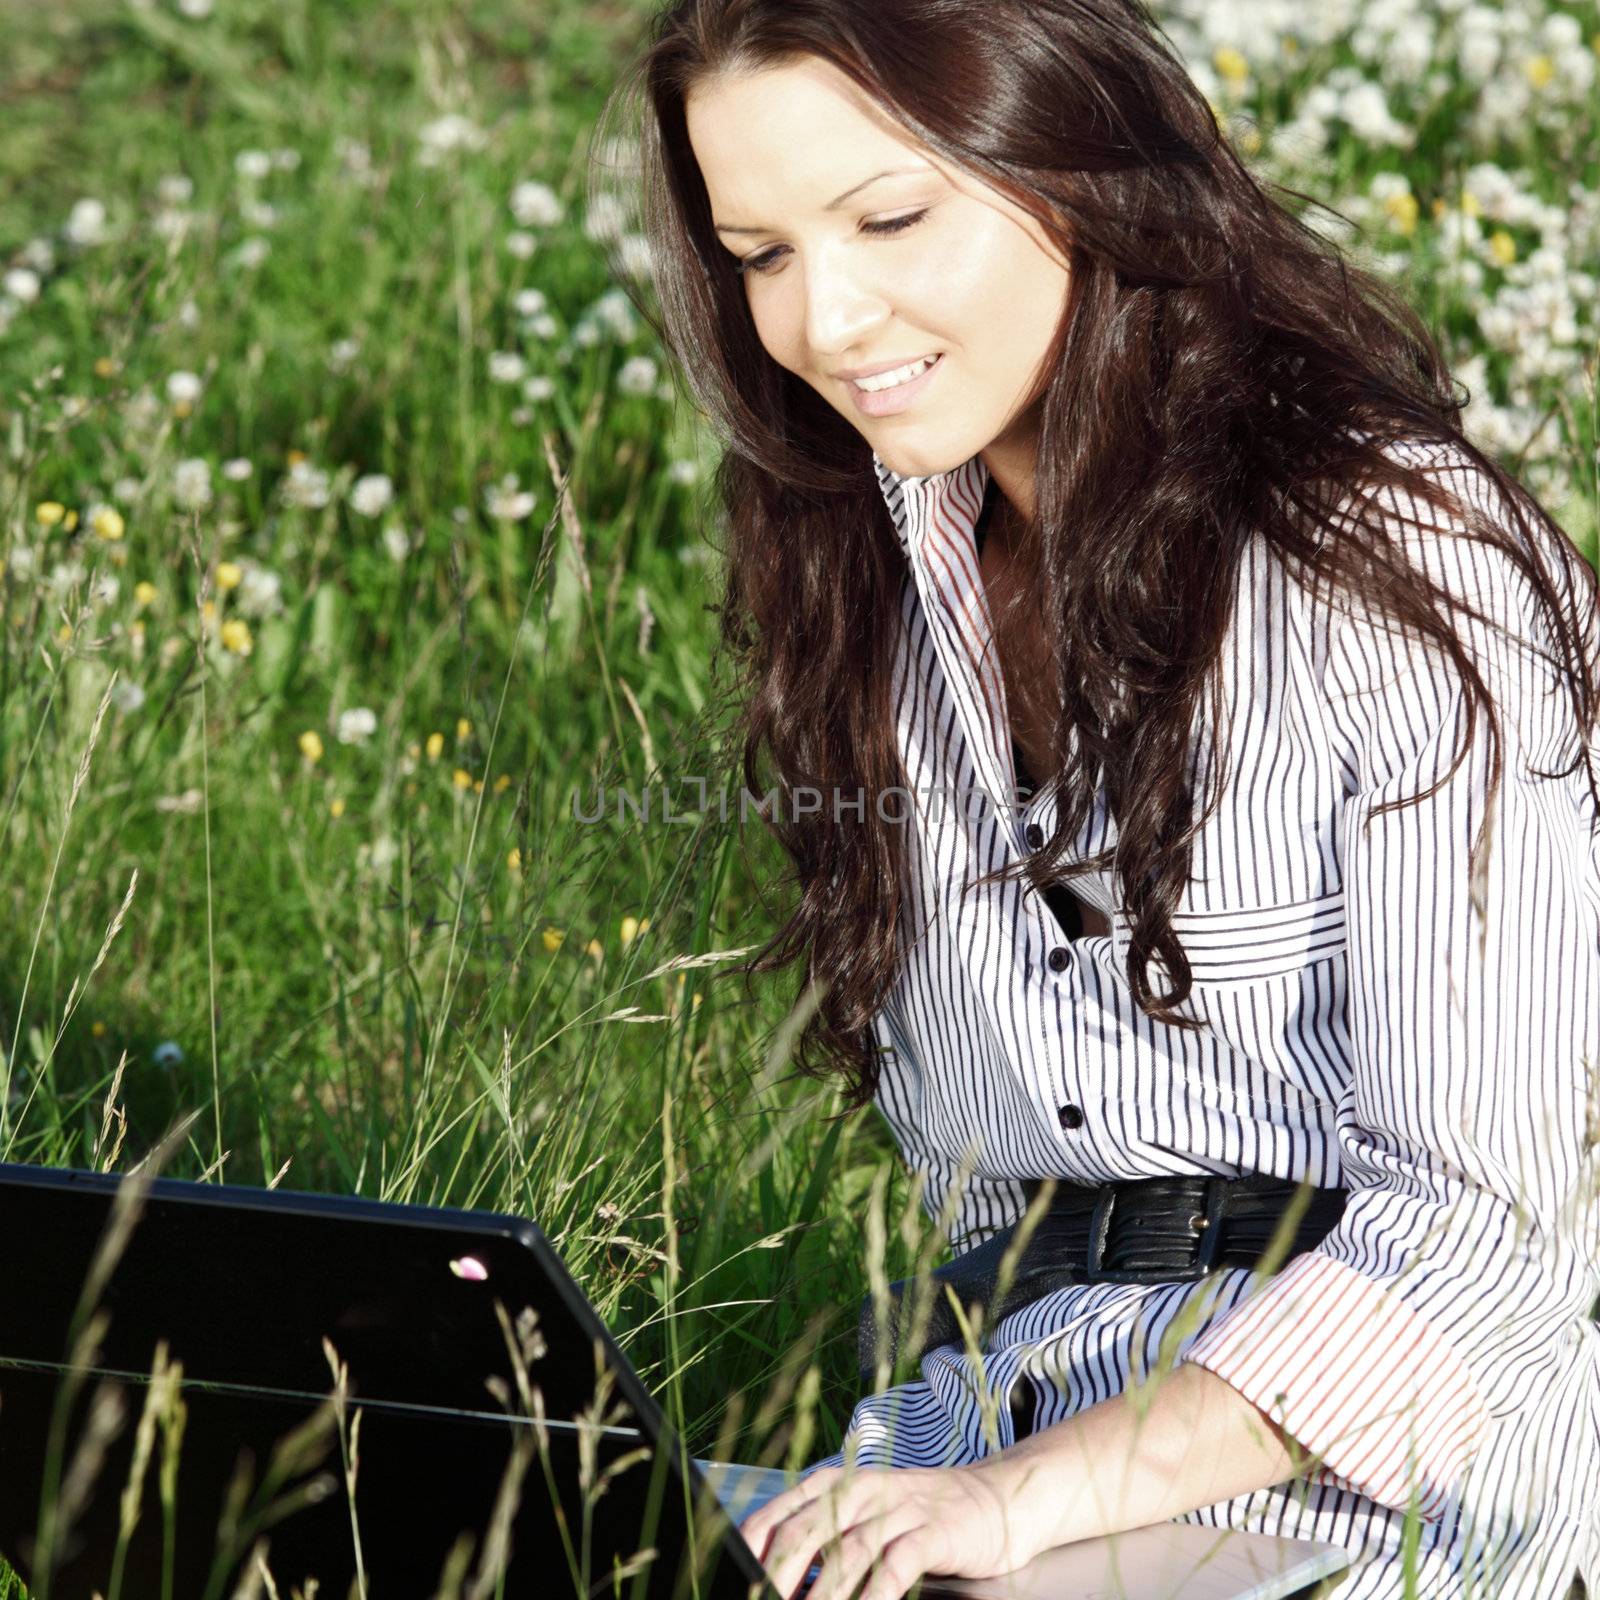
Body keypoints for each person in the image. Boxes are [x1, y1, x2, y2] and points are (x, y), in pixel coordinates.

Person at [592, 2, 1600, 1596]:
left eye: (890, 217)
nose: (827, 317)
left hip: (1372, 1496)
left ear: (1082, 174)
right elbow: (988, 1201)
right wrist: (973, 1494)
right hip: (985, 1441)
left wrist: (1023, 1508)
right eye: (761, 253)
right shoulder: (873, 574)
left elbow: (1490, 1242)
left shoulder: (1393, 555)